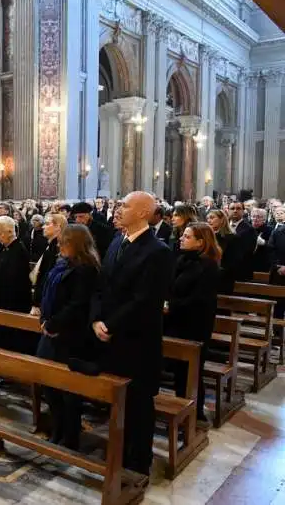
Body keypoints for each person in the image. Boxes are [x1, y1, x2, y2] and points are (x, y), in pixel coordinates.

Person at [91, 191, 173, 476]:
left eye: (124, 205)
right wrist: (96, 320)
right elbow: (101, 286)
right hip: (110, 338)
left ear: (142, 213)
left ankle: (138, 463)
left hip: (137, 342)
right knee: (116, 400)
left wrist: (110, 325)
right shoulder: (117, 241)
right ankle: (116, 452)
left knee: (138, 405)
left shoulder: (158, 251)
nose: (118, 209)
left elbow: (144, 301)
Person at [36, 224, 100, 450]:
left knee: (68, 391)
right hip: (50, 332)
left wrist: (54, 323)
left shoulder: (87, 269)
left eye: (64, 242)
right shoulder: (61, 264)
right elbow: (46, 293)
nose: (60, 245)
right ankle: (57, 428)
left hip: (71, 336)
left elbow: (78, 304)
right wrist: (44, 319)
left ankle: (70, 436)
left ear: (77, 243)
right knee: (49, 385)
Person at [164, 222, 221, 422]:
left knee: (192, 371)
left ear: (200, 242)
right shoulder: (181, 259)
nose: (181, 238)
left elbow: (200, 299)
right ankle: (181, 409)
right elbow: (171, 287)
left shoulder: (209, 265)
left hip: (195, 324)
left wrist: (171, 306)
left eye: (187, 237)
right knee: (179, 370)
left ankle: (195, 414)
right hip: (176, 322)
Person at [0, 215, 33, 353]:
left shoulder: (19, 251)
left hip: (11, 303)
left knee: (7, 341)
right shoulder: (4, 248)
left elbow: (13, 280)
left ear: (9, 231)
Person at [30, 214, 67, 316]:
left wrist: (37, 303)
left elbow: (49, 277)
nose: (43, 227)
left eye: (47, 224)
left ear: (58, 227)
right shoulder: (51, 245)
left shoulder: (58, 248)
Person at [207, 209, 242, 294]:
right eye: (207, 218)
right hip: (207, 278)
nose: (209, 220)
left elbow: (233, 261)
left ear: (222, 219)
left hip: (223, 279)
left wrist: (217, 272)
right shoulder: (208, 236)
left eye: (212, 217)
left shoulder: (232, 238)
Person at [227, 201, 256, 282]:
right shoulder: (225, 226)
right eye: (232, 208)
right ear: (228, 211)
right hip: (225, 270)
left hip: (240, 270)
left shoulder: (249, 229)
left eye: (238, 208)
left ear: (243, 211)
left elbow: (247, 251)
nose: (235, 211)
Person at [251, 208, 273, 273]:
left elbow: (273, 247)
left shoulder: (270, 230)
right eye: (253, 216)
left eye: (258, 217)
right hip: (247, 261)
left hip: (261, 263)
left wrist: (264, 242)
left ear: (264, 219)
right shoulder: (247, 228)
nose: (255, 219)